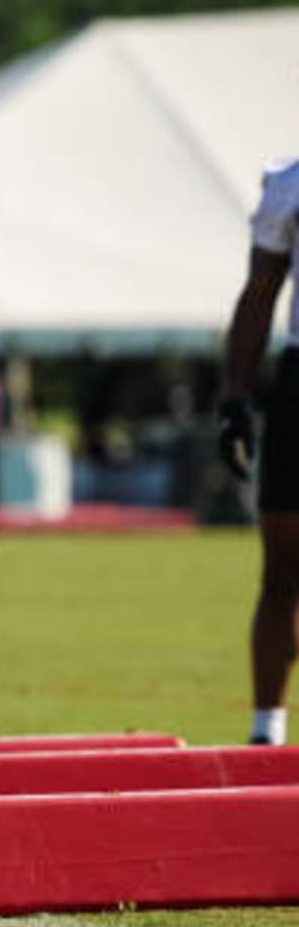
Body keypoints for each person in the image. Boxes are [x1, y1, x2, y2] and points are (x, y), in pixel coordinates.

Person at [216, 153, 299, 746]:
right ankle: (266, 731)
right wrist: (234, 398)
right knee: (283, 566)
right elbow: (260, 291)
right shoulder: (290, 183)